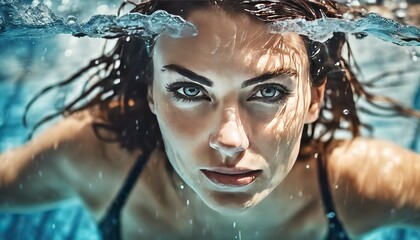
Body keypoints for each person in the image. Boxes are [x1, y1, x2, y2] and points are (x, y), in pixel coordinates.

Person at [1, 0, 419, 239]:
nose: (230, 140)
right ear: (150, 90)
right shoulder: (95, 158)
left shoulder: (361, 184)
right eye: (188, 90)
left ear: (315, 97)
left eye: (269, 92)